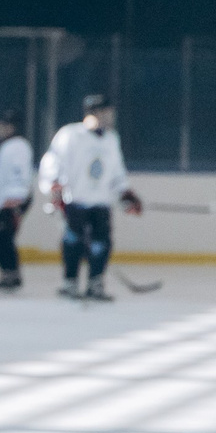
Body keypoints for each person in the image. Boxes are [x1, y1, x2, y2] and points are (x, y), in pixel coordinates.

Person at [38, 91, 142, 301]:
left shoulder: (111, 139)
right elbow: (52, 161)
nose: (109, 117)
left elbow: (116, 171)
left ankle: (96, 282)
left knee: (101, 243)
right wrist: (53, 185)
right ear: (93, 112)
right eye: (105, 112)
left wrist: (125, 193)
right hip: (76, 201)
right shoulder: (70, 135)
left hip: (101, 203)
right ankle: (70, 282)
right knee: (73, 243)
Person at [0, 110, 32, 293]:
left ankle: (11, 274)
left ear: (10, 126)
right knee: (1, 237)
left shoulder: (17, 146)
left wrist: (15, 200)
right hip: (9, 199)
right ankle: (10, 273)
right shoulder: (9, 146)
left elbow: (20, 175)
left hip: (15, 200)